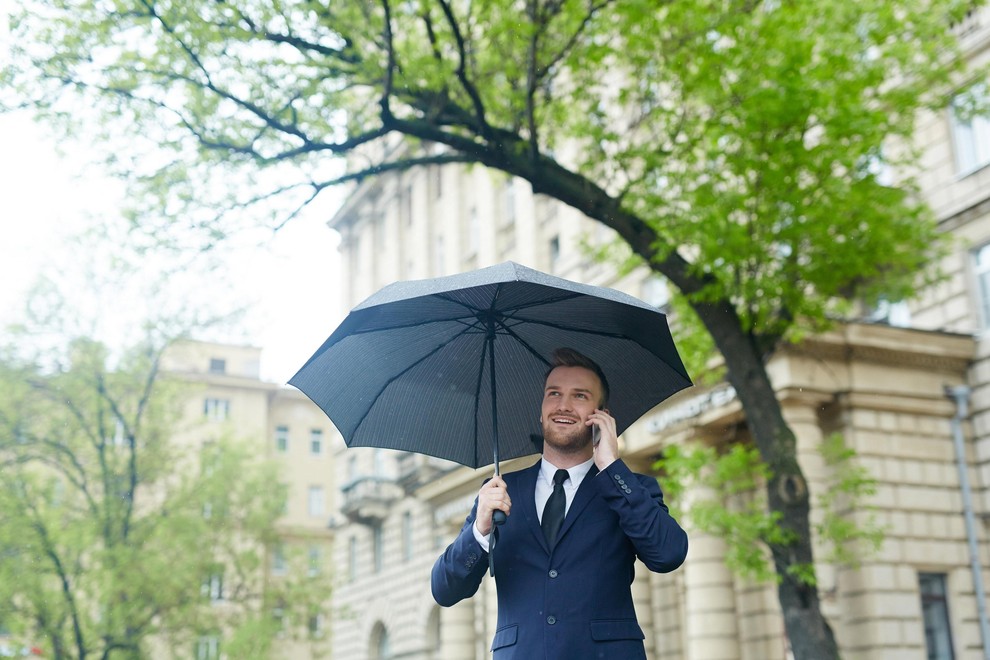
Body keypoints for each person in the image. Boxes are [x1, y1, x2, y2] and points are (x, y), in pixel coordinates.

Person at [431, 347, 688, 659]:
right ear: (541, 410)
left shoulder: (629, 487)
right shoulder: (499, 492)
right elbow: (445, 589)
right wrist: (480, 532)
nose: (563, 405)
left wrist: (612, 468)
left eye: (580, 396)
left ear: (602, 416)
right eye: (554, 393)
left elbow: (668, 554)